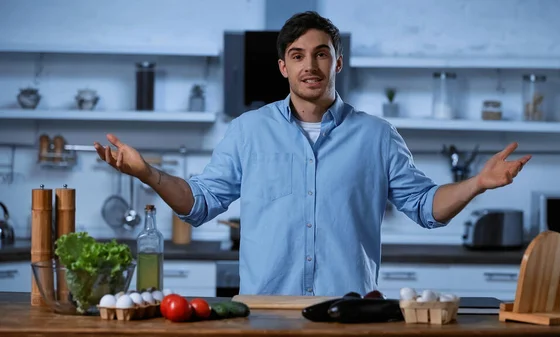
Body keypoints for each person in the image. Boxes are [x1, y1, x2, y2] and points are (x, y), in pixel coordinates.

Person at [94, 11, 531, 297]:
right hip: (265, 313)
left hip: (349, 312)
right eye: (298, 55)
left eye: (321, 54)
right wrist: (148, 172)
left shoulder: (378, 135)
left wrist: (476, 184)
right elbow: (201, 203)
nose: (311, 66)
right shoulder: (247, 131)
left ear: (338, 62)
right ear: (283, 66)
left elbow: (424, 208)